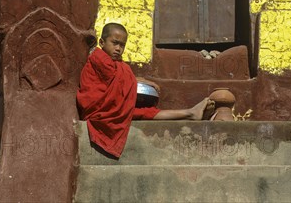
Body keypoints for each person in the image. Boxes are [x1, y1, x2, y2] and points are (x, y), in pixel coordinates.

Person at [77, 22, 213, 158]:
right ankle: (190, 113)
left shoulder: (118, 65)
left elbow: (120, 80)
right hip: (99, 111)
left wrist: (135, 79)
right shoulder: (98, 58)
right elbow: (118, 81)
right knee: (143, 113)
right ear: (102, 42)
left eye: (122, 45)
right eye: (115, 43)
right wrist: (138, 80)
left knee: (146, 112)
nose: (118, 48)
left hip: (112, 108)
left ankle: (191, 113)